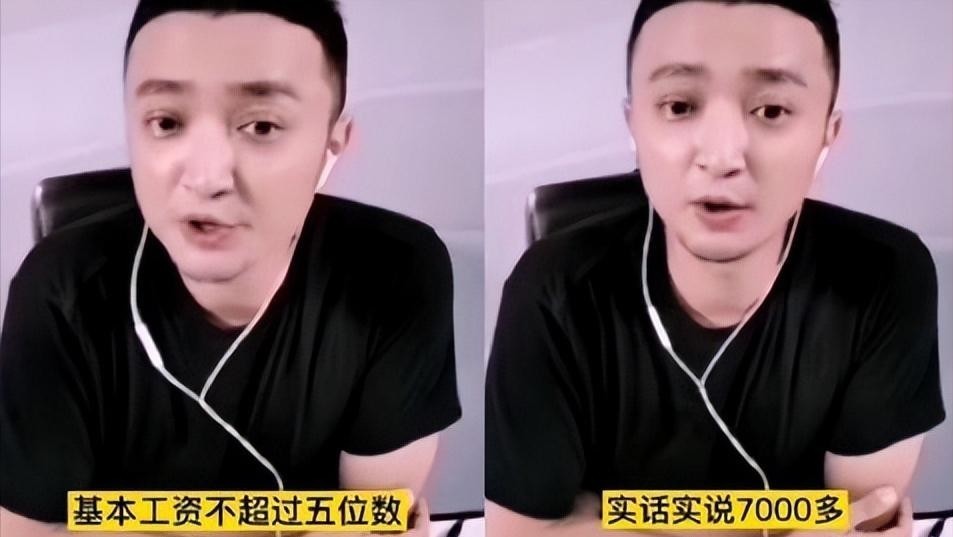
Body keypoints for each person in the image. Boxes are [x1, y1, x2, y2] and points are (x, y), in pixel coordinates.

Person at [485, 0, 946, 535]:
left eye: (771, 111)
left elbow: (864, 520)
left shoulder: (884, 276)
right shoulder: (552, 289)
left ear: (827, 131)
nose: (723, 156)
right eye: (680, 106)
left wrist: (608, 518)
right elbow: (518, 531)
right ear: (634, 124)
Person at [0, 1, 460, 535]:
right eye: (167, 122)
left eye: (261, 125)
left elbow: (374, 520)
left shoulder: (396, 274)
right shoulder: (60, 293)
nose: (207, 177)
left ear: (331, 144)